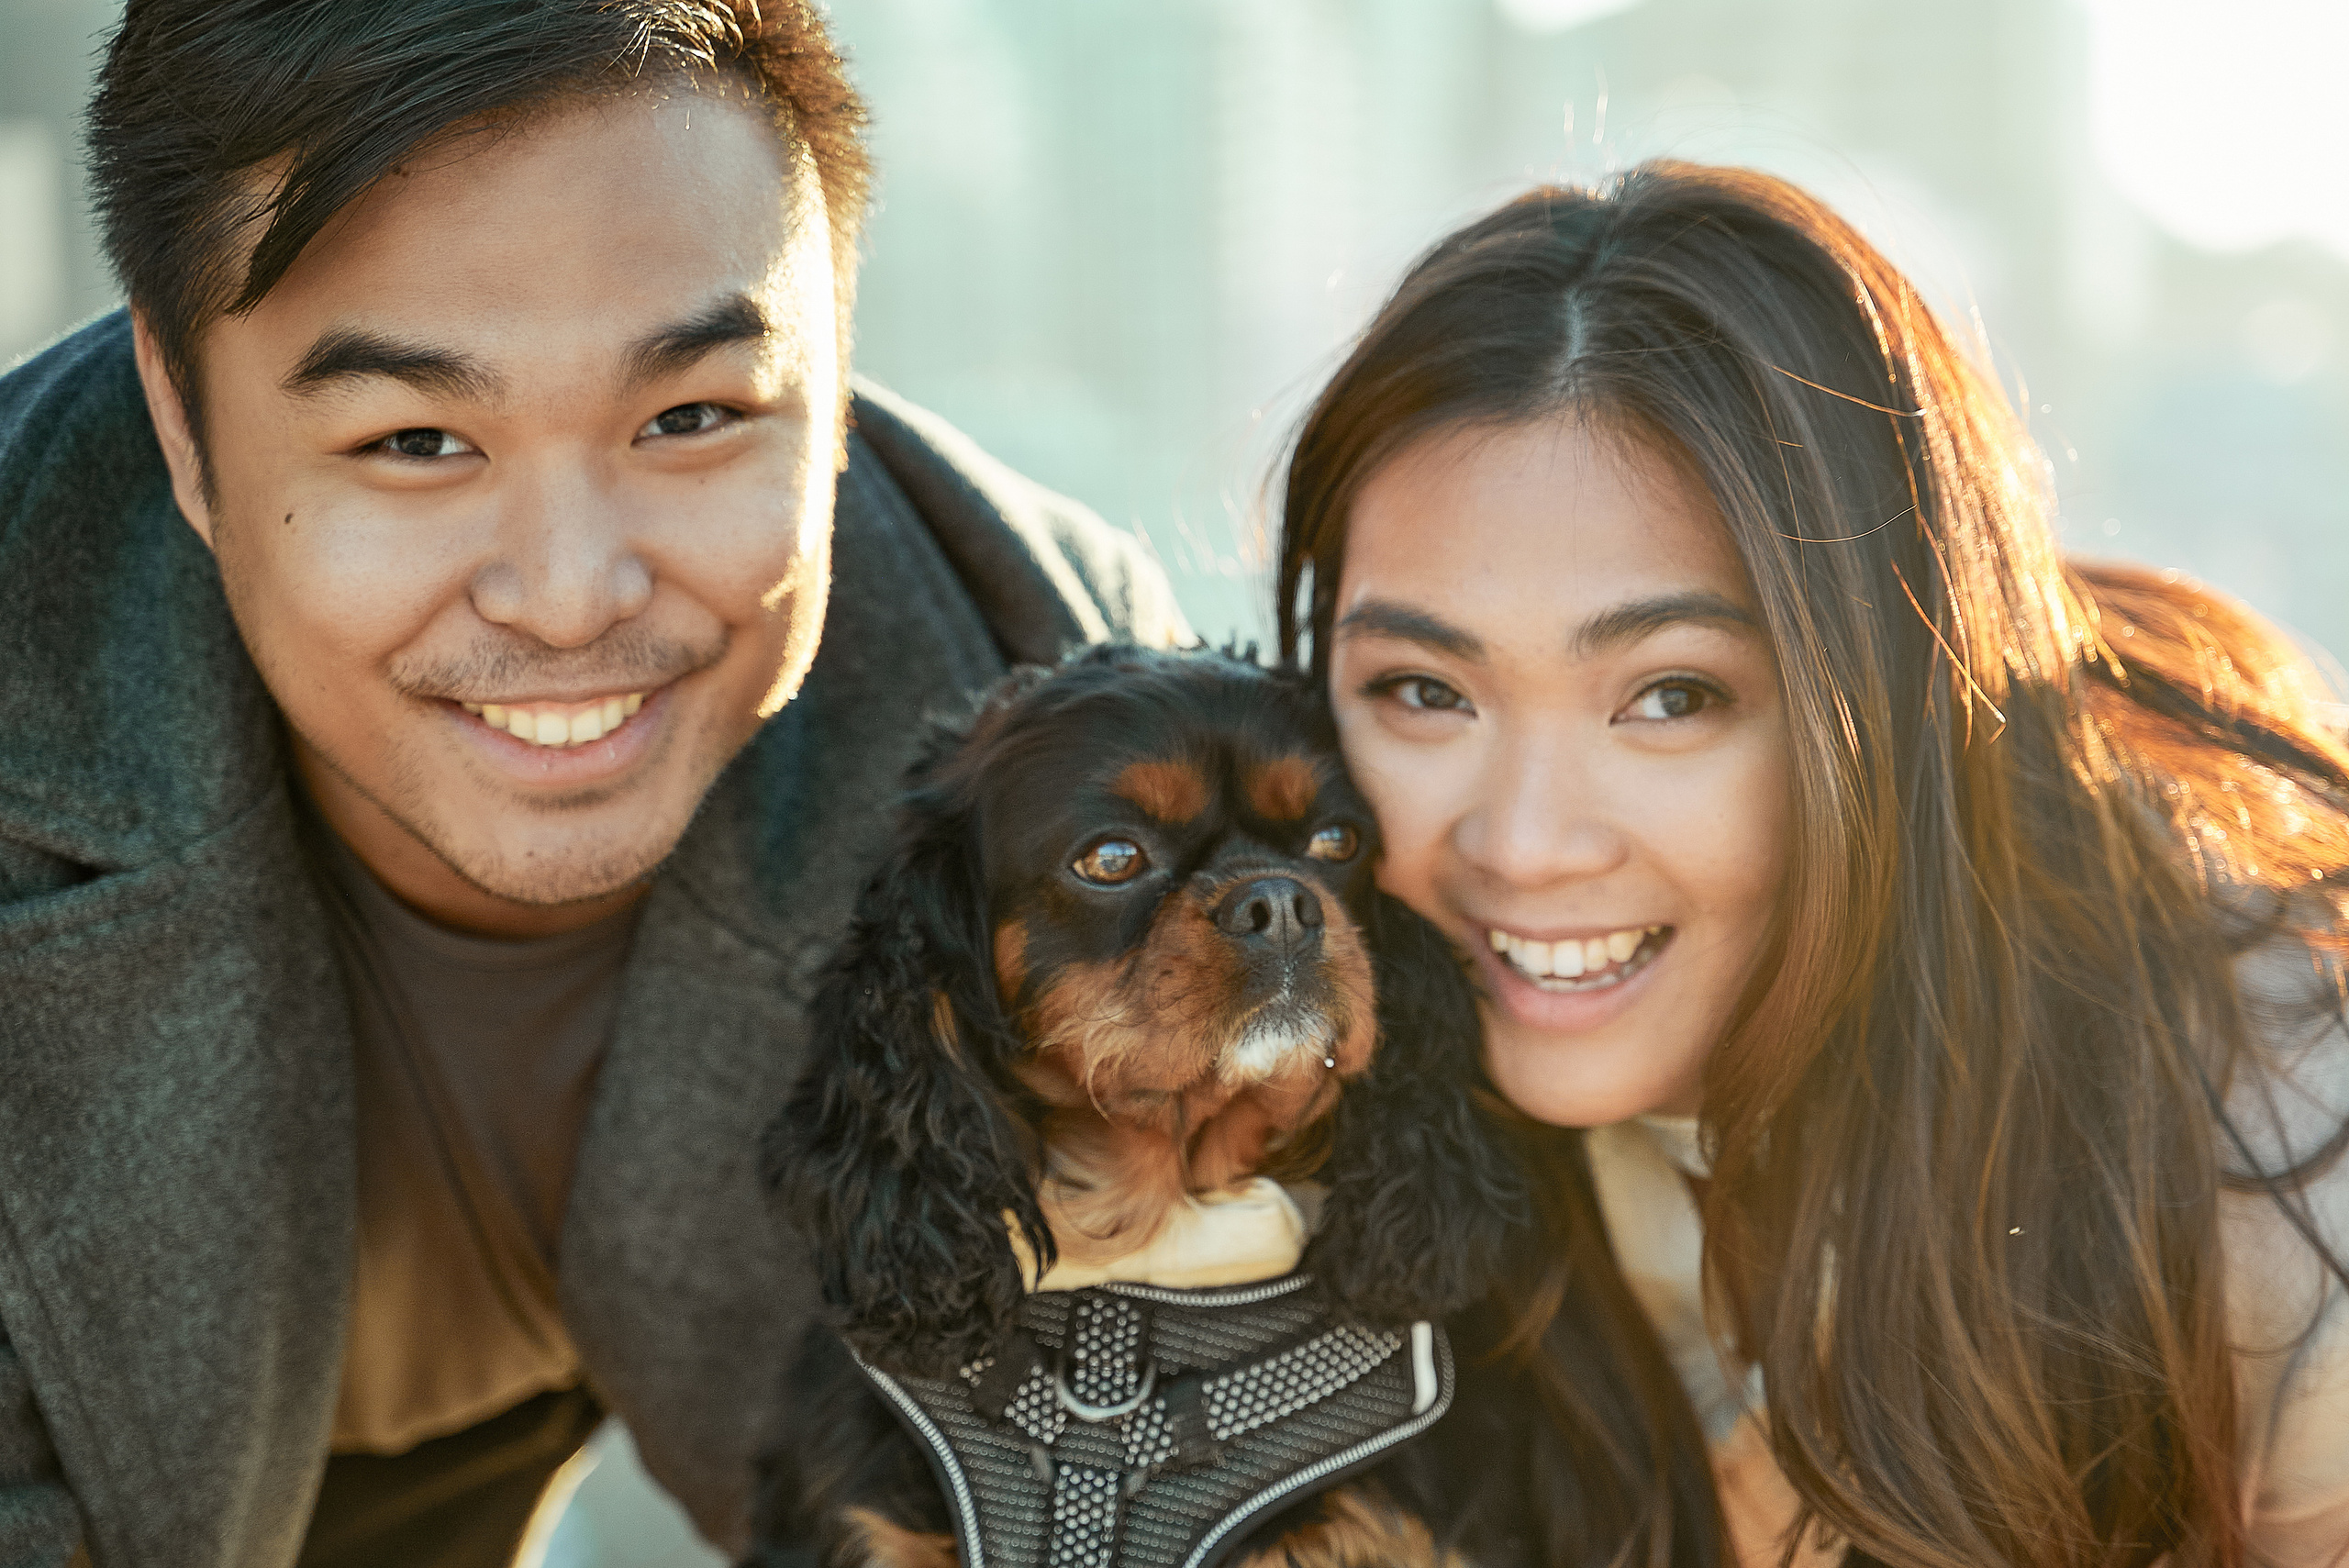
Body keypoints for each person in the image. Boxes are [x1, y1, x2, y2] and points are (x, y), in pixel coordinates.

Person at [0, 3, 1185, 1564]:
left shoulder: (1067, 712)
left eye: (691, 417)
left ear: (835, 374)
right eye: (418, 440)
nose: (569, 597)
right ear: (182, 418)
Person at [1276, 162, 2349, 1568]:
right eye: (1424, 690)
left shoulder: (2267, 1145)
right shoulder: (1304, 1081)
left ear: (1894, 697)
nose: (1524, 843)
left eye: (1672, 696)